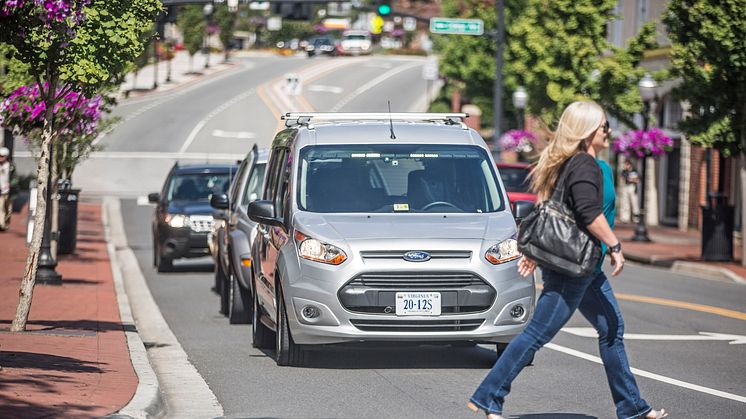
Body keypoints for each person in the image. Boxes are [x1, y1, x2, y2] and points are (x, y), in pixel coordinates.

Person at [467, 101, 667, 419]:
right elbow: (588, 213)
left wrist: (534, 252)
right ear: (588, 132)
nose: (609, 131)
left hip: (583, 267)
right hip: (572, 268)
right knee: (536, 334)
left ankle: (632, 408)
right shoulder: (584, 165)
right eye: (604, 126)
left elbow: (555, 212)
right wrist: (614, 245)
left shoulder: (575, 163)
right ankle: (488, 396)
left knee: (612, 328)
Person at [0, 147, 13, 231]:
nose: (0, 158)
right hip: (0, 192)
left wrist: (11, 184)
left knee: (8, 209)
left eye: (2, 156)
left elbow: (15, 178)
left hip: (8, 192)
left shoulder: (11, 166)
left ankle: (6, 222)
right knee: (1, 208)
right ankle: (2, 225)